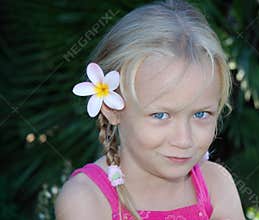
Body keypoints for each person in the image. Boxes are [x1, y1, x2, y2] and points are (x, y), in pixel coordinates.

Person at [55, 0, 245, 219]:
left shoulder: (216, 186)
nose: (184, 140)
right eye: (160, 115)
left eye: (201, 114)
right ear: (112, 108)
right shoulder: (86, 200)